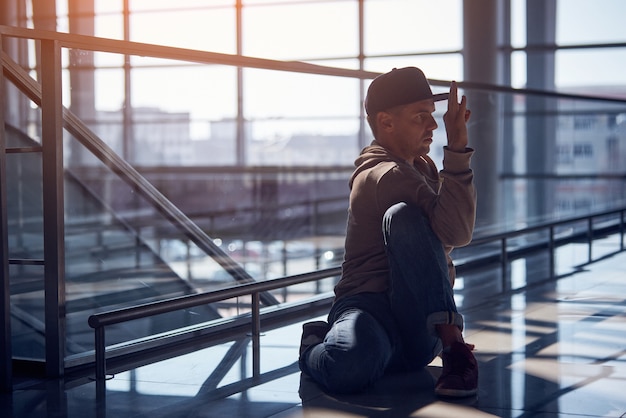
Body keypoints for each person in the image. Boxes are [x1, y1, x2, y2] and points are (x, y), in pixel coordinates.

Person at [298, 66, 478, 398]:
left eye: (432, 115)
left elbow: (455, 233)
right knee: (349, 366)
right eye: (420, 116)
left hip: (419, 318)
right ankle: (313, 346)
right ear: (386, 123)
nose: (434, 125)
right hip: (369, 311)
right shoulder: (385, 175)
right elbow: (457, 232)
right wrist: (457, 149)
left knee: (406, 216)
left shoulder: (420, 167)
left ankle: (445, 348)